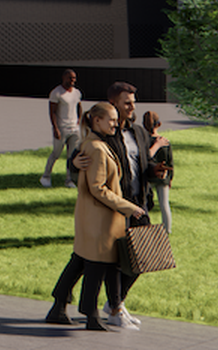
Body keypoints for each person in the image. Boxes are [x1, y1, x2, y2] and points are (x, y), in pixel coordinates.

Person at [71, 80, 165, 328]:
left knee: (144, 257)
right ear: (113, 104)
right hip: (114, 207)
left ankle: (115, 303)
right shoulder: (104, 136)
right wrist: (73, 163)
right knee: (112, 262)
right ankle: (115, 308)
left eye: (133, 102)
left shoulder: (138, 133)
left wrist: (155, 170)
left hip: (138, 204)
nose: (132, 107)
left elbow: (143, 164)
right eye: (127, 103)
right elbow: (83, 162)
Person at [46, 103, 146, 329]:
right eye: (111, 119)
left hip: (92, 217)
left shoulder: (92, 143)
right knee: (97, 267)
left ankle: (60, 307)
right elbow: (98, 188)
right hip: (101, 219)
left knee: (81, 262)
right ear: (97, 120)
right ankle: (92, 315)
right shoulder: (97, 149)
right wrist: (128, 207)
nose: (115, 123)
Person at [42, 68, 82, 188]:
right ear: (63, 78)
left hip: (74, 128)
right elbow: (52, 112)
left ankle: (69, 180)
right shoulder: (56, 93)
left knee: (71, 155)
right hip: (62, 128)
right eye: (70, 78)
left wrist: (79, 121)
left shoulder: (77, 93)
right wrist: (55, 128)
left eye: (74, 78)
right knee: (56, 153)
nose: (72, 80)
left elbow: (79, 107)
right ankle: (46, 176)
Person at [144, 110, 174, 231]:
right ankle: (167, 229)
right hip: (163, 176)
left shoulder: (143, 141)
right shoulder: (165, 141)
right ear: (159, 124)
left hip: (148, 175)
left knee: (145, 203)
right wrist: (170, 178)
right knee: (164, 204)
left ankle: (145, 226)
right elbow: (170, 161)